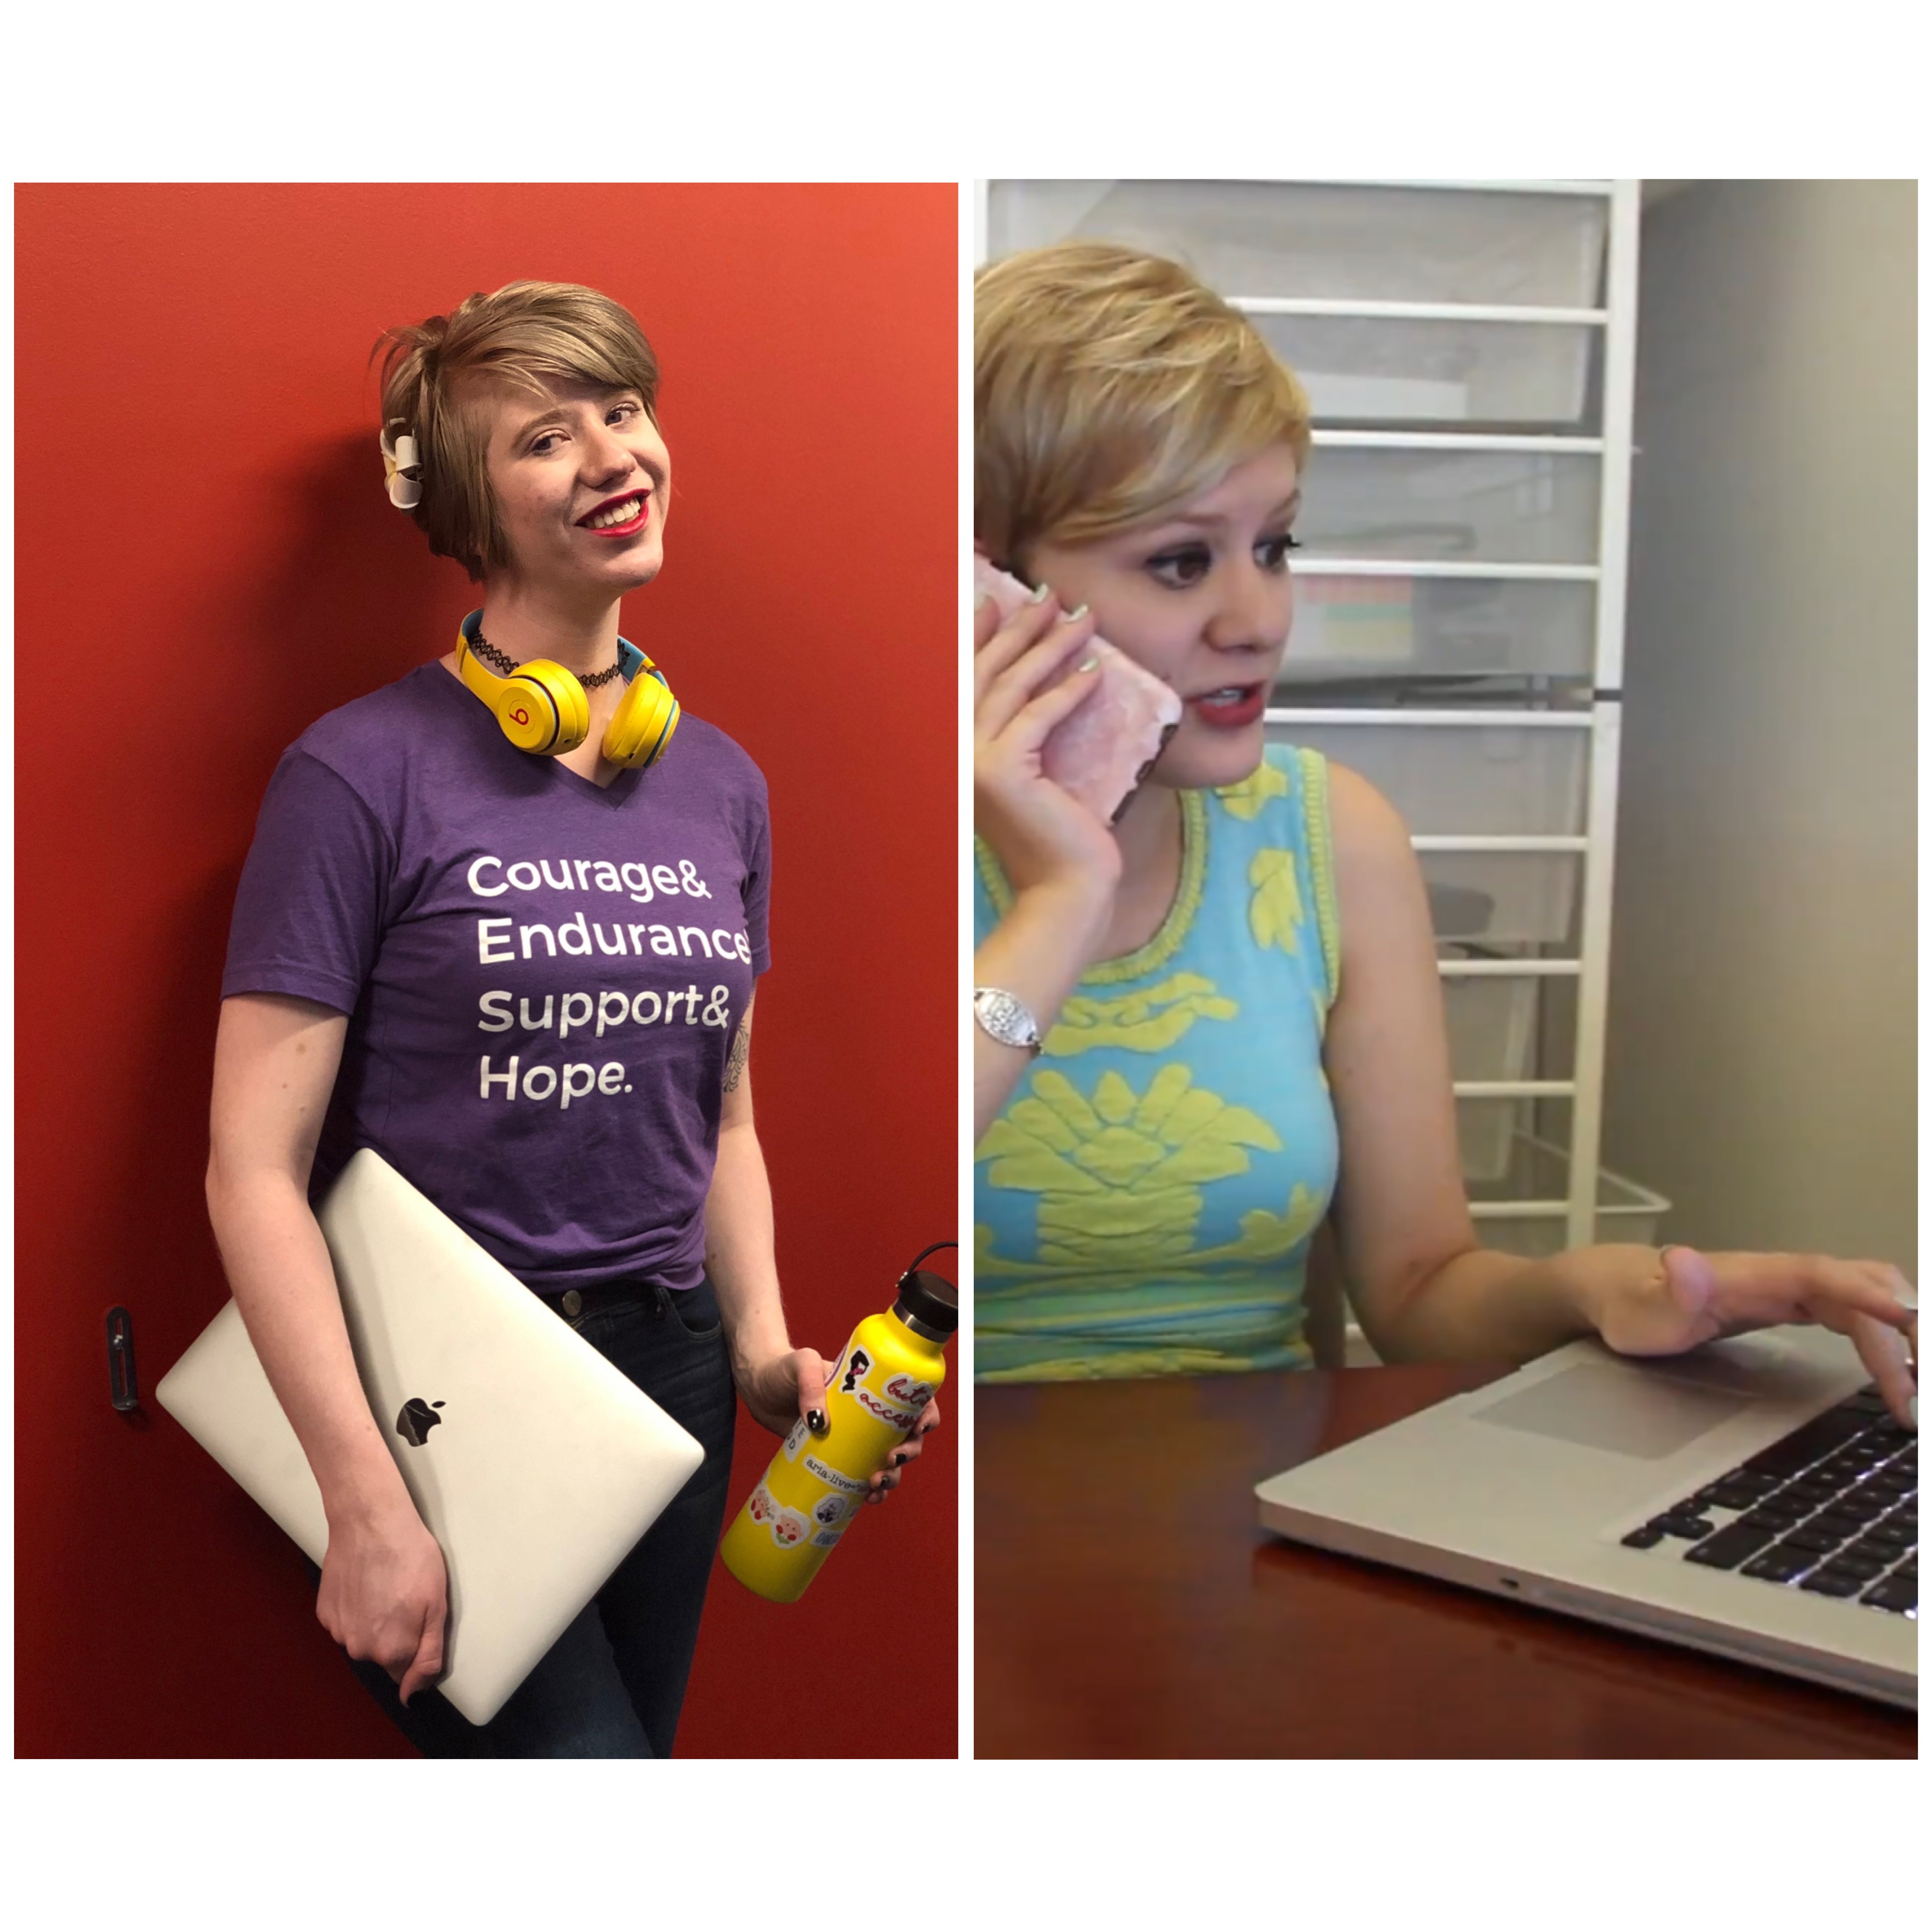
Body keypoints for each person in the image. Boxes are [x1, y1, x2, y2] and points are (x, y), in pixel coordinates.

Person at [971, 242, 1917, 1416]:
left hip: (1245, 1518)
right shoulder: (880, 850)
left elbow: (1418, 1290)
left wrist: (1616, 1286)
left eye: (1273, 546)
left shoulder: (1335, 839)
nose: (1259, 617)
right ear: (986, 589)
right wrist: (1057, 896)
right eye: (1179, 561)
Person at [206, 280, 938, 1758]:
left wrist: (767, 1355)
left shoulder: (722, 784)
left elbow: (721, 1113)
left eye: (625, 411)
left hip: (669, 1372)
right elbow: (250, 1170)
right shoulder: (357, 775)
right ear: (470, 507)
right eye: (549, 437)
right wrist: (365, 1504)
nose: (615, 455)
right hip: (446, 1392)